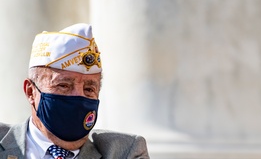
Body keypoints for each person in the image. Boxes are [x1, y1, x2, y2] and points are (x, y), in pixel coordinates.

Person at [0, 23, 150, 159]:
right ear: (30, 91)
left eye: (89, 89)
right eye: (64, 85)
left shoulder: (123, 152)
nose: (79, 96)